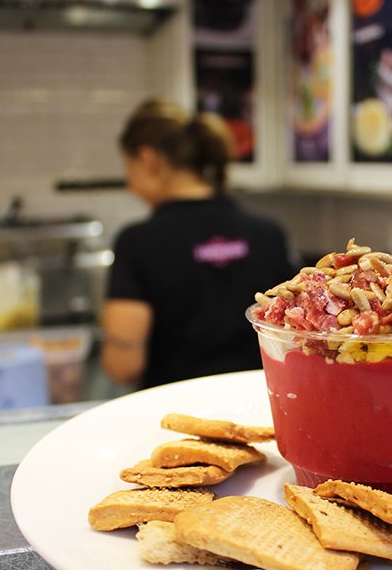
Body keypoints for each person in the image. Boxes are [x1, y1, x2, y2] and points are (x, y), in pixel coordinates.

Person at [102, 98, 297, 389]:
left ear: (147, 159)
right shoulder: (268, 234)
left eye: (128, 167)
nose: (129, 183)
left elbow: (125, 365)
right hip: (257, 403)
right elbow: (291, 338)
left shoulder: (137, 242)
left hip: (177, 413)